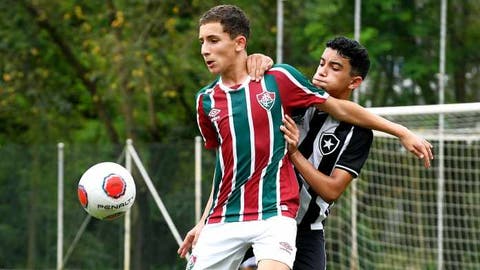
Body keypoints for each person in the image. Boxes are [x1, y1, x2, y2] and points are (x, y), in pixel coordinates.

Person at [177, 5, 432, 270]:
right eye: (322, 63)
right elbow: (229, 165)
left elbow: (332, 188)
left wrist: (401, 131)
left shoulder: (356, 132)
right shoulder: (291, 97)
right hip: (237, 211)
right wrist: (257, 60)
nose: (322, 71)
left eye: (334, 68)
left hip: (293, 221)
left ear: (354, 81)